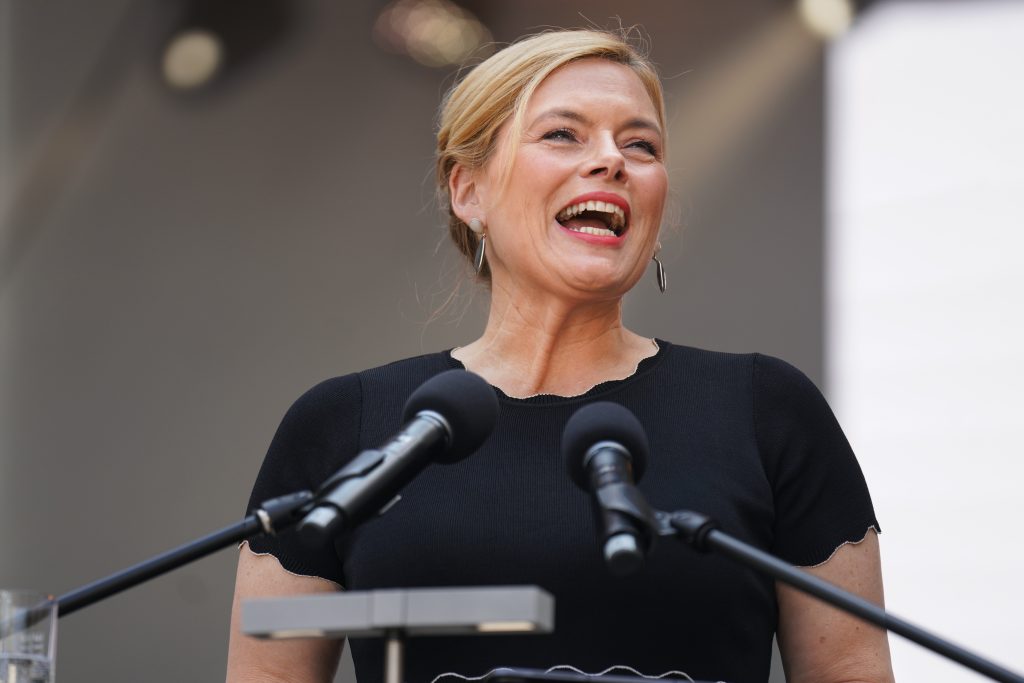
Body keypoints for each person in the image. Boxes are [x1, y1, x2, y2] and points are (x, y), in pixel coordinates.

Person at [226, 29, 895, 683]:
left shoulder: (765, 411)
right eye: (562, 134)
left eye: (641, 144)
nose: (612, 160)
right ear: (469, 191)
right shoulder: (346, 423)